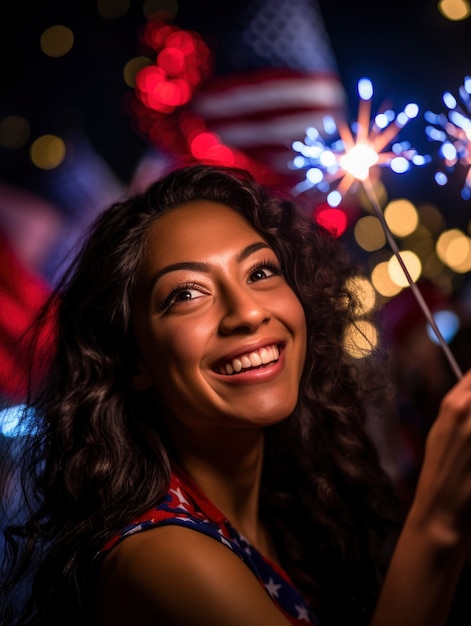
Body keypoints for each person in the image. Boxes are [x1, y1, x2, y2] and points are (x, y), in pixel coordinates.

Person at [1, 163, 471, 626]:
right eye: (187, 294)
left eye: (261, 272)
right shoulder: (164, 557)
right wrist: (438, 521)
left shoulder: (292, 505)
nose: (246, 312)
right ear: (135, 360)